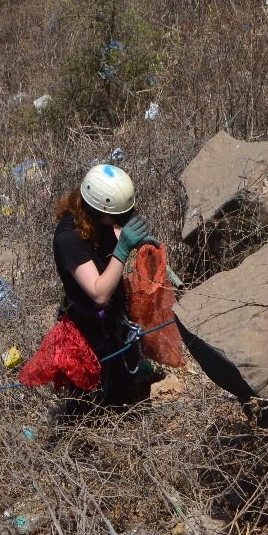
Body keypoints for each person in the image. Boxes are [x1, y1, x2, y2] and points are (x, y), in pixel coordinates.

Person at [52, 164, 159, 417]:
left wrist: (135, 239)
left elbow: (116, 229)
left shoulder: (99, 219)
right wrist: (122, 249)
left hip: (113, 321)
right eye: (118, 215)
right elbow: (99, 294)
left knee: (122, 386)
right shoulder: (68, 239)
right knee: (90, 403)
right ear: (98, 210)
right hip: (87, 329)